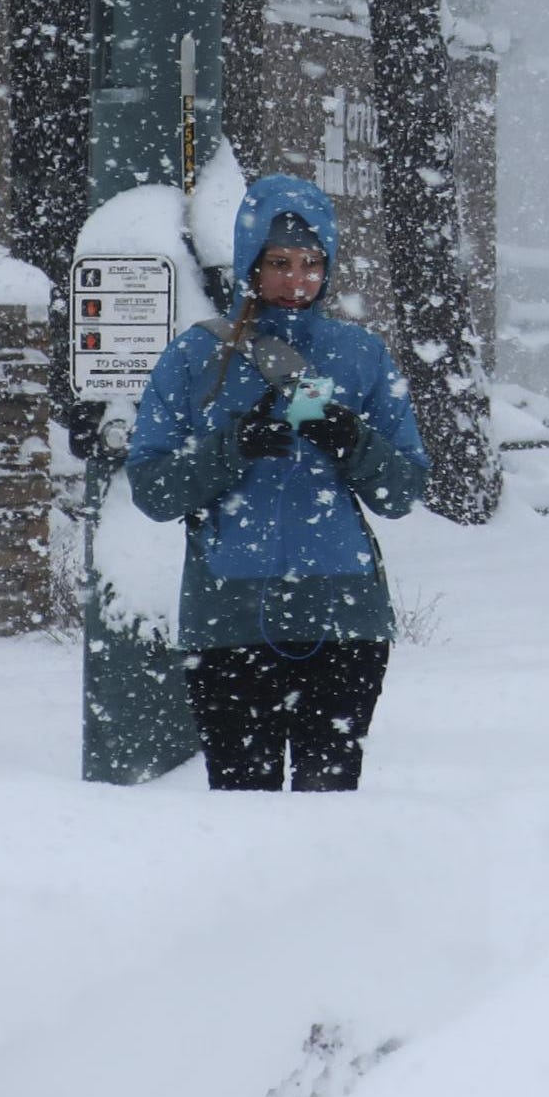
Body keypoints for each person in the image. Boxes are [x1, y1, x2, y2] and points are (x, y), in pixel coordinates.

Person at [124, 175, 431, 791]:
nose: (297, 281)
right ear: (250, 264)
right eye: (280, 263)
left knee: (329, 806)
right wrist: (231, 448)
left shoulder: (361, 356)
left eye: (312, 263)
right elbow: (153, 490)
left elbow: (402, 492)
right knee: (242, 808)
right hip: (229, 620)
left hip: (343, 621)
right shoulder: (194, 359)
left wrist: (355, 444)